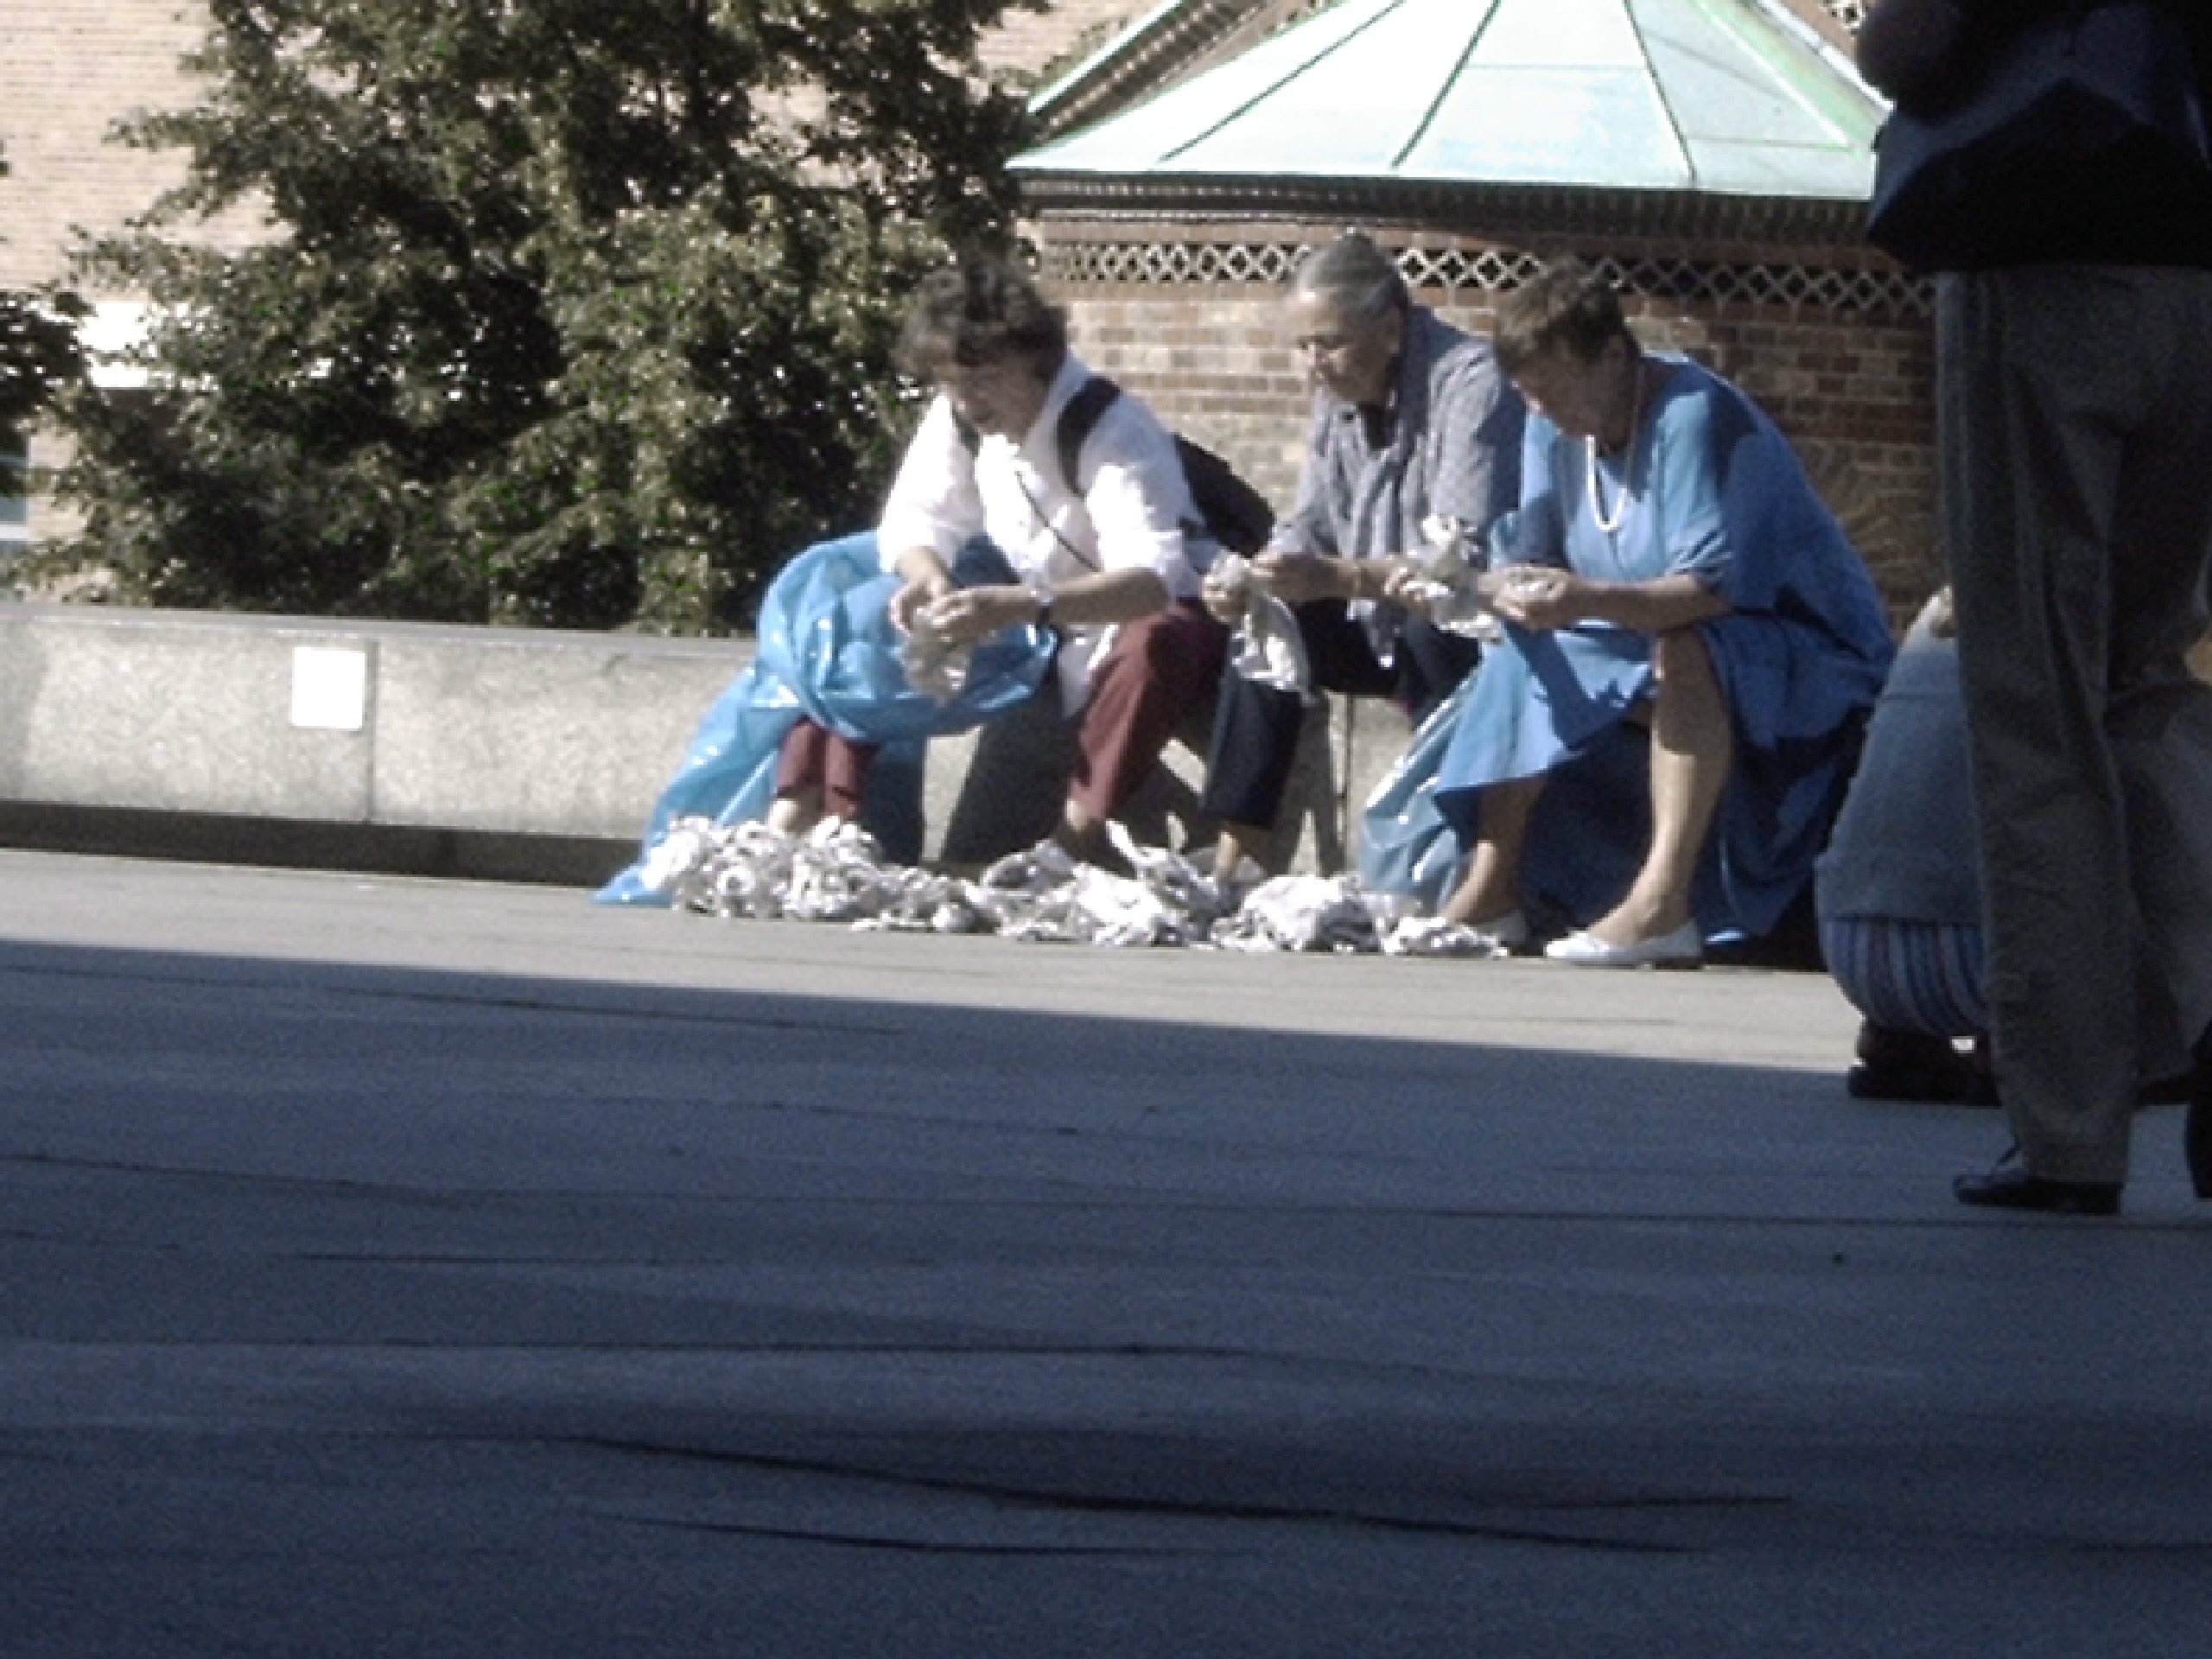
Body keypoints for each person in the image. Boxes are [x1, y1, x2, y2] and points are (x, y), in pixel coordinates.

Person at [1858, 0, 2212, 1214]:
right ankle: (2211, 1005)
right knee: (2155, 676)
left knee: (2040, 700)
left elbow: (1912, 42)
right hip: (2202, 276)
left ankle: (2069, 1127)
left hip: (2047, 264)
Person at [1428, 259, 1895, 966]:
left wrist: (1582, 598)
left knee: (1689, 644)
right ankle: (1494, 887)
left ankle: (1662, 903)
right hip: (1632, 634)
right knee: (1527, 639)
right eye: (1529, 395)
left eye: (1553, 390)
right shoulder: (1549, 426)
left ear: (1615, 356)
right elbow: (1534, 554)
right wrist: (1498, 588)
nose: (1541, 411)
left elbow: (1711, 589)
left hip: (1807, 654)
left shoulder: (1692, 413)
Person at [766, 253, 1227, 868]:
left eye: (982, 380)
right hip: (1031, 632)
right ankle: (815, 814)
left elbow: (1153, 580)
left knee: (1157, 640)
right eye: (953, 383)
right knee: (862, 618)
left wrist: (1023, 607)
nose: (967, 400)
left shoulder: (1112, 430)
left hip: (1116, 623)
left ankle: (1081, 828)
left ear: (1033, 361)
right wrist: (929, 580)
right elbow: (916, 517)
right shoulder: (960, 418)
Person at [1194, 232, 1523, 882]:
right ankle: (1238, 857)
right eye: (1304, 346)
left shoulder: (1473, 384)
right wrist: (1261, 576)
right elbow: (1311, 520)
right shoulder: (1336, 396)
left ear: (1392, 330)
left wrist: (1342, 576)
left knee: (1437, 630)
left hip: (1462, 626)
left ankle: (1448, 853)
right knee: (1268, 621)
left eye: (1330, 343)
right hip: (1373, 621)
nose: (1315, 364)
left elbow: (1459, 556)